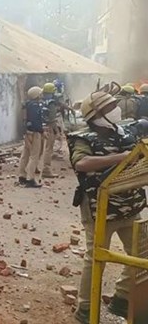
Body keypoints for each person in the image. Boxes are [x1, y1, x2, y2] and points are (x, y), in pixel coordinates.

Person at [67, 85, 146, 323]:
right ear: (96, 114)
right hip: (99, 207)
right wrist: (122, 158)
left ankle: (122, 298)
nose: (117, 110)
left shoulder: (124, 132)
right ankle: (85, 309)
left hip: (130, 204)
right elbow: (81, 164)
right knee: (95, 259)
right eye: (110, 107)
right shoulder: (83, 137)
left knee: (142, 252)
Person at [40, 82, 73, 178]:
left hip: (41, 127)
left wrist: (68, 108)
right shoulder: (52, 104)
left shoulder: (42, 101)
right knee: (48, 149)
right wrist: (57, 132)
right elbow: (52, 120)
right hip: (49, 128)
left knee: (39, 149)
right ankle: (46, 170)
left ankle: (35, 168)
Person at [17, 87, 45, 188]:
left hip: (27, 132)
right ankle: (30, 178)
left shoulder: (27, 105)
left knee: (25, 154)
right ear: (36, 95)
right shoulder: (35, 106)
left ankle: (22, 176)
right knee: (34, 156)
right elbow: (36, 121)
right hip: (34, 133)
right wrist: (41, 131)